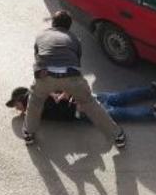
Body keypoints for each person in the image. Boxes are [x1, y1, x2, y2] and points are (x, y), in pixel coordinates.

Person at [22, 10, 126, 148]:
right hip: (71, 76)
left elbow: (38, 57)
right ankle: (117, 136)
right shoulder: (75, 39)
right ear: (69, 26)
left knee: (35, 101)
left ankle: (28, 134)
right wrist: (68, 90)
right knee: (90, 104)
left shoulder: (41, 35)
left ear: (53, 22)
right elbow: (76, 61)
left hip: (45, 75)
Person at [7, 82, 156, 122]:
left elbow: (56, 108)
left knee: (118, 114)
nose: (16, 109)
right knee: (119, 98)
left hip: (80, 109)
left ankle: (154, 112)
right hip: (85, 95)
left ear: (20, 100)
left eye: (15, 105)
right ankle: (153, 91)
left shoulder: (34, 104)